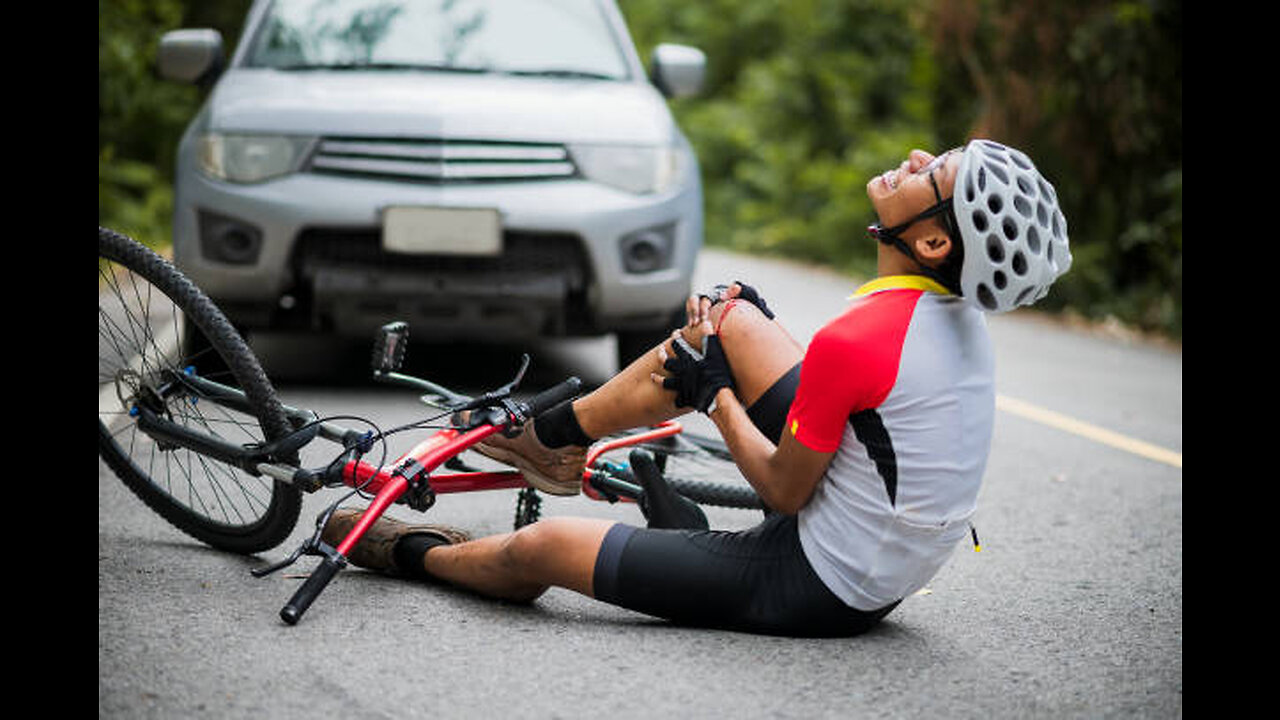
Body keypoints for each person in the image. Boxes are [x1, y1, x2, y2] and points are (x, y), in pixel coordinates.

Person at [321, 139, 1072, 637]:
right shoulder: (943, 316)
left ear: (934, 242)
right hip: (858, 518)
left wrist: (718, 393)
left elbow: (784, 492)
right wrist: (730, 352)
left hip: (822, 582)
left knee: (543, 548)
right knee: (732, 321)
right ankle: (554, 443)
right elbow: (866, 408)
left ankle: (411, 551)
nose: (914, 157)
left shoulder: (862, 338)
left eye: (931, 173)